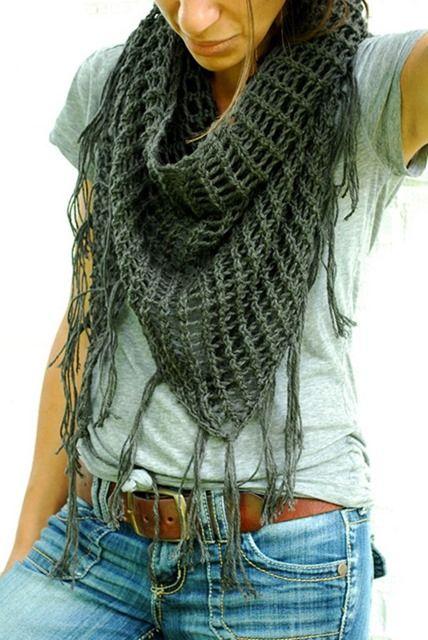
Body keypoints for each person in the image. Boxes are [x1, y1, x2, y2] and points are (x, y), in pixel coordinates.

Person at [0, 0, 427, 637]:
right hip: (96, 541)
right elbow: (87, 319)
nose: (196, 19)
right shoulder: (112, 85)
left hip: (281, 565)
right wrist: (28, 539)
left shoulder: (374, 83)